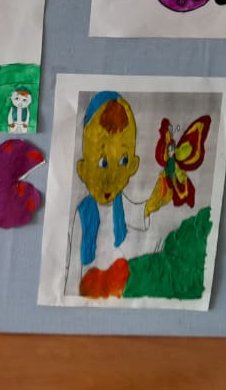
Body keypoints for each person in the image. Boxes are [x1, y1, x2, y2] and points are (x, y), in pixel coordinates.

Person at [65, 92, 151, 299]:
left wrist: (155, 201)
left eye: (123, 160)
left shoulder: (122, 203)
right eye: (103, 162)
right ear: (83, 169)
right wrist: (71, 293)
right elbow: (74, 256)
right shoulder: (83, 212)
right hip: (90, 278)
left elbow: (139, 215)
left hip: (118, 277)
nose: (111, 176)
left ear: (132, 166)